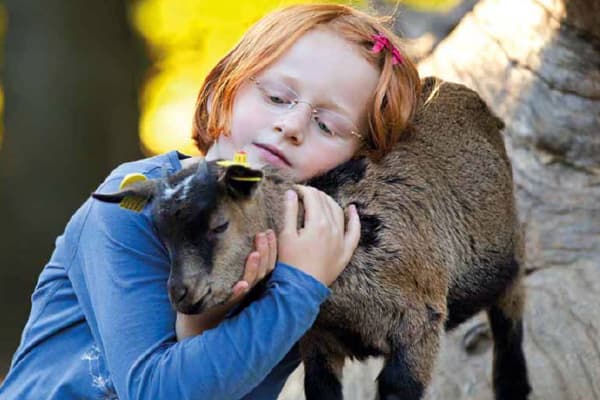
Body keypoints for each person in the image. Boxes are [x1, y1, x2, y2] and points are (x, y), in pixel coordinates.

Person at [0, 4, 421, 399]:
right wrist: (298, 288)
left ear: (358, 164)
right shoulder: (139, 205)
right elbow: (156, 391)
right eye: (276, 97)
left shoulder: (315, 247)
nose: (290, 125)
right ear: (229, 87)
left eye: (327, 126)